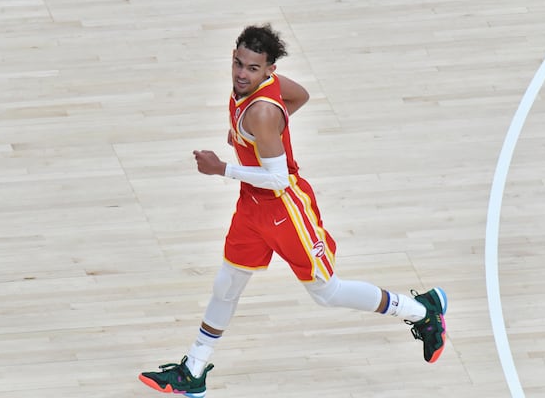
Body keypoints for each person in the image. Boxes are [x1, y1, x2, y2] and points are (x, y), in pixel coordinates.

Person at [139, 24, 447, 398]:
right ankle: (194, 368)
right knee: (227, 285)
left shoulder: (263, 112)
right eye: (238, 63)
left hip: (285, 209)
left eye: (252, 68)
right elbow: (300, 96)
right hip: (252, 206)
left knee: (327, 293)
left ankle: (420, 310)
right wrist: (261, 139)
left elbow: (279, 179)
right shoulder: (267, 88)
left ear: (267, 70)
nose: (241, 73)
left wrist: (225, 166)